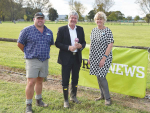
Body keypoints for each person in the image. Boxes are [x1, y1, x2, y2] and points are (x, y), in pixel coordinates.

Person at [17, 12, 54, 113]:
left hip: (44, 60)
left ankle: (39, 100)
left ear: (44, 20)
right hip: (32, 60)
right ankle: (28, 105)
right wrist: (29, 53)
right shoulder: (26, 31)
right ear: (34, 19)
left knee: (40, 81)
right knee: (31, 82)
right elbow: (20, 44)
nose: (40, 20)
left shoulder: (49, 32)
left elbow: (49, 44)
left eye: (42, 18)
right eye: (38, 18)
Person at [55, 11, 86, 108]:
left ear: (77, 19)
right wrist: (68, 47)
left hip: (76, 58)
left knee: (75, 78)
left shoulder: (80, 29)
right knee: (65, 79)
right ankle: (66, 100)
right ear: (68, 18)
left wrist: (80, 46)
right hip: (66, 59)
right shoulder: (62, 29)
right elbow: (57, 43)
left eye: (75, 18)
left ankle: (73, 97)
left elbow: (84, 43)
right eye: (71, 17)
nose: (73, 19)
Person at [88, 11, 114, 106]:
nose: (99, 20)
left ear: (104, 20)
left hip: (105, 57)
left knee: (102, 77)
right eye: (97, 19)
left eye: (101, 19)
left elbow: (110, 45)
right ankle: (102, 95)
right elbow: (91, 44)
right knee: (98, 76)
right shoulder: (93, 30)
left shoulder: (107, 30)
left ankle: (108, 98)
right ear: (95, 20)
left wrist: (104, 58)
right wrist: (90, 57)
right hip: (94, 56)